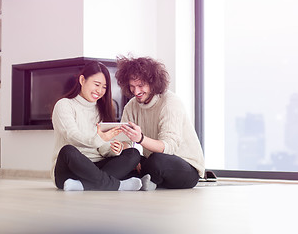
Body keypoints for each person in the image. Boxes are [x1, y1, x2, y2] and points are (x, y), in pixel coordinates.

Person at [115, 56, 205, 190]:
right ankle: (148, 180)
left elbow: (169, 147)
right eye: (132, 86)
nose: (136, 92)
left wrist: (140, 139)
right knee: (123, 160)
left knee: (156, 161)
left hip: (185, 167)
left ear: (153, 83)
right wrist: (129, 153)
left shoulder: (170, 102)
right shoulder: (131, 106)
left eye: (141, 86)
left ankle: (145, 180)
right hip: (152, 161)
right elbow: (124, 141)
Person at [51, 61, 142, 191]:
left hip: (96, 167)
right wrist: (100, 139)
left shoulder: (102, 109)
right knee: (68, 151)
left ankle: (82, 185)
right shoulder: (64, 105)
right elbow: (71, 136)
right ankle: (118, 185)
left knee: (133, 154)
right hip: (70, 169)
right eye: (97, 84)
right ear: (82, 80)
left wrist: (113, 149)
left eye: (104, 87)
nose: (99, 91)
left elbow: (102, 149)